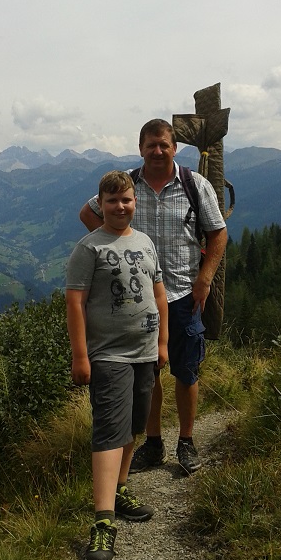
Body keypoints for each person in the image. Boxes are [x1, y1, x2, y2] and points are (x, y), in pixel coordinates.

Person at [79, 119, 227, 475]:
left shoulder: (195, 185)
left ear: (175, 147)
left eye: (163, 145)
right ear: (140, 147)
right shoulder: (127, 184)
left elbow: (218, 233)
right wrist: (113, 249)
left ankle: (187, 442)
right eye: (150, 145)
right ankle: (155, 442)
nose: (157, 151)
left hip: (184, 295)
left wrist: (205, 280)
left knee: (186, 372)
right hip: (138, 300)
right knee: (150, 375)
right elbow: (88, 213)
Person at [66, 170, 169, 560]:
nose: (120, 207)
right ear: (100, 205)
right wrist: (81, 356)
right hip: (108, 355)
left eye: (126, 200)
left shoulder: (145, 243)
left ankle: (121, 488)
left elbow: (159, 295)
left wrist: (161, 343)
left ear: (134, 202)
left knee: (134, 426)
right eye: (112, 202)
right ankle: (103, 522)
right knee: (110, 431)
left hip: (145, 352)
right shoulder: (88, 248)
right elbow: (75, 303)